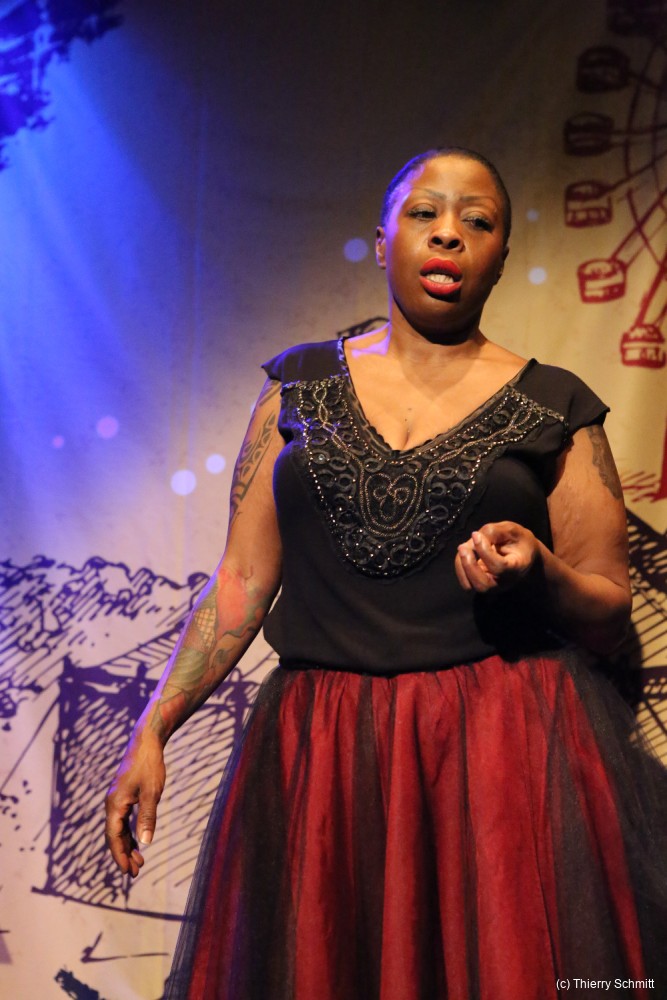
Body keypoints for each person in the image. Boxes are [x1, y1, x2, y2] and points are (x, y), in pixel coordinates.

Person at [105, 147, 666, 999]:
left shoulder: (555, 405)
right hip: (322, 747)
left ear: (500, 258)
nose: (448, 235)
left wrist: (538, 571)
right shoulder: (296, 389)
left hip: (493, 747)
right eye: (423, 214)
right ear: (380, 242)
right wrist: (154, 727)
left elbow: (609, 605)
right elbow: (242, 579)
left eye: (477, 221)